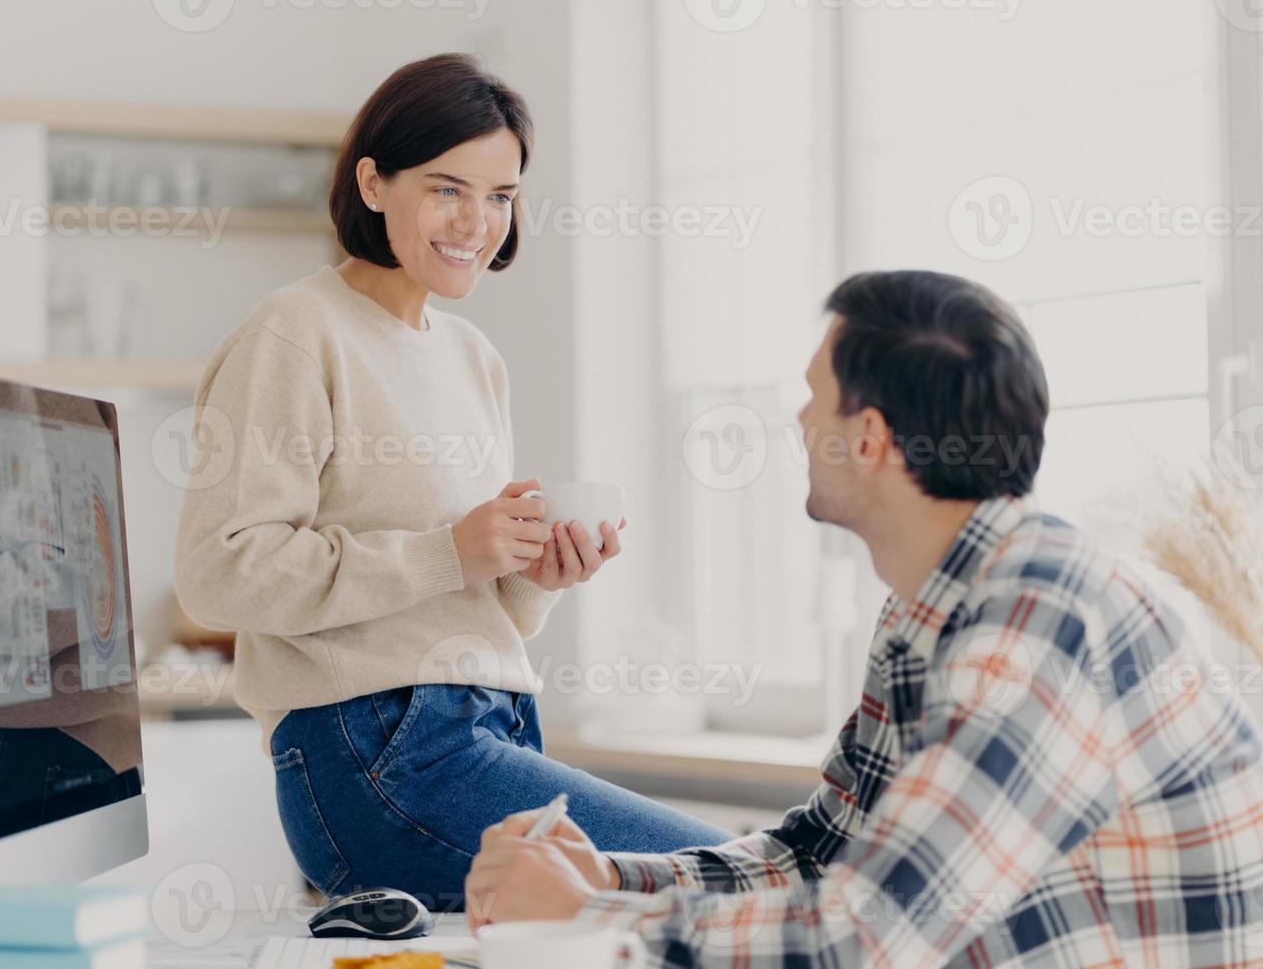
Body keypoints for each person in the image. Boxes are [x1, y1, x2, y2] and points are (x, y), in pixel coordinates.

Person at [465, 270, 1263, 966]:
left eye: (814, 399)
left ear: (871, 438)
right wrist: (607, 878)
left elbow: (864, 944)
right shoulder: (929, 608)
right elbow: (818, 854)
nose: (799, 424)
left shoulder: (1035, 620)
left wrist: (591, 919)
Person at [174, 53, 731, 912]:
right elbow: (219, 570)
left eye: (501, 196)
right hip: (372, 751)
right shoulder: (297, 334)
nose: (478, 222)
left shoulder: (474, 358)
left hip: (488, 725)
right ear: (372, 184)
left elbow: (463, 597)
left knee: (707, 892)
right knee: (726, 880)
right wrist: (446, 552)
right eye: (447, 189)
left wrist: (534, 580)